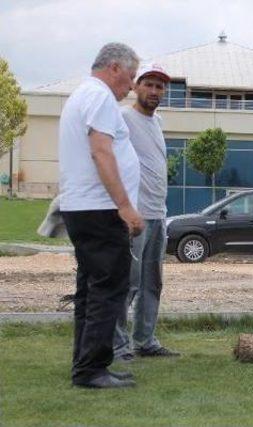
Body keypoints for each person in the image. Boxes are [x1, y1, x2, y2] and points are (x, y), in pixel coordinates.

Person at [58, 43, 143, 388]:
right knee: (108, 288)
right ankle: (92, 369)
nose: (132, 86)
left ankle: (84, 362)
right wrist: (125, 205)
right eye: (131, 77)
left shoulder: (81, 95)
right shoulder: (100, 97)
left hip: (82, 208)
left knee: (90, 290)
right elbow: (101, 152)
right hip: (101, 209)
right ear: (114, 68)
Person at [113, 63, 180, 361]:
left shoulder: (158, 122)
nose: (154, 91)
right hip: (134, 217)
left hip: (157, 214)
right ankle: (116, 344)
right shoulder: (123, 118)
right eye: (149, 84)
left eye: (160, 86)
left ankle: (145, 340)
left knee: (153, 283)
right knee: (128, 283)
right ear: (136, 86)